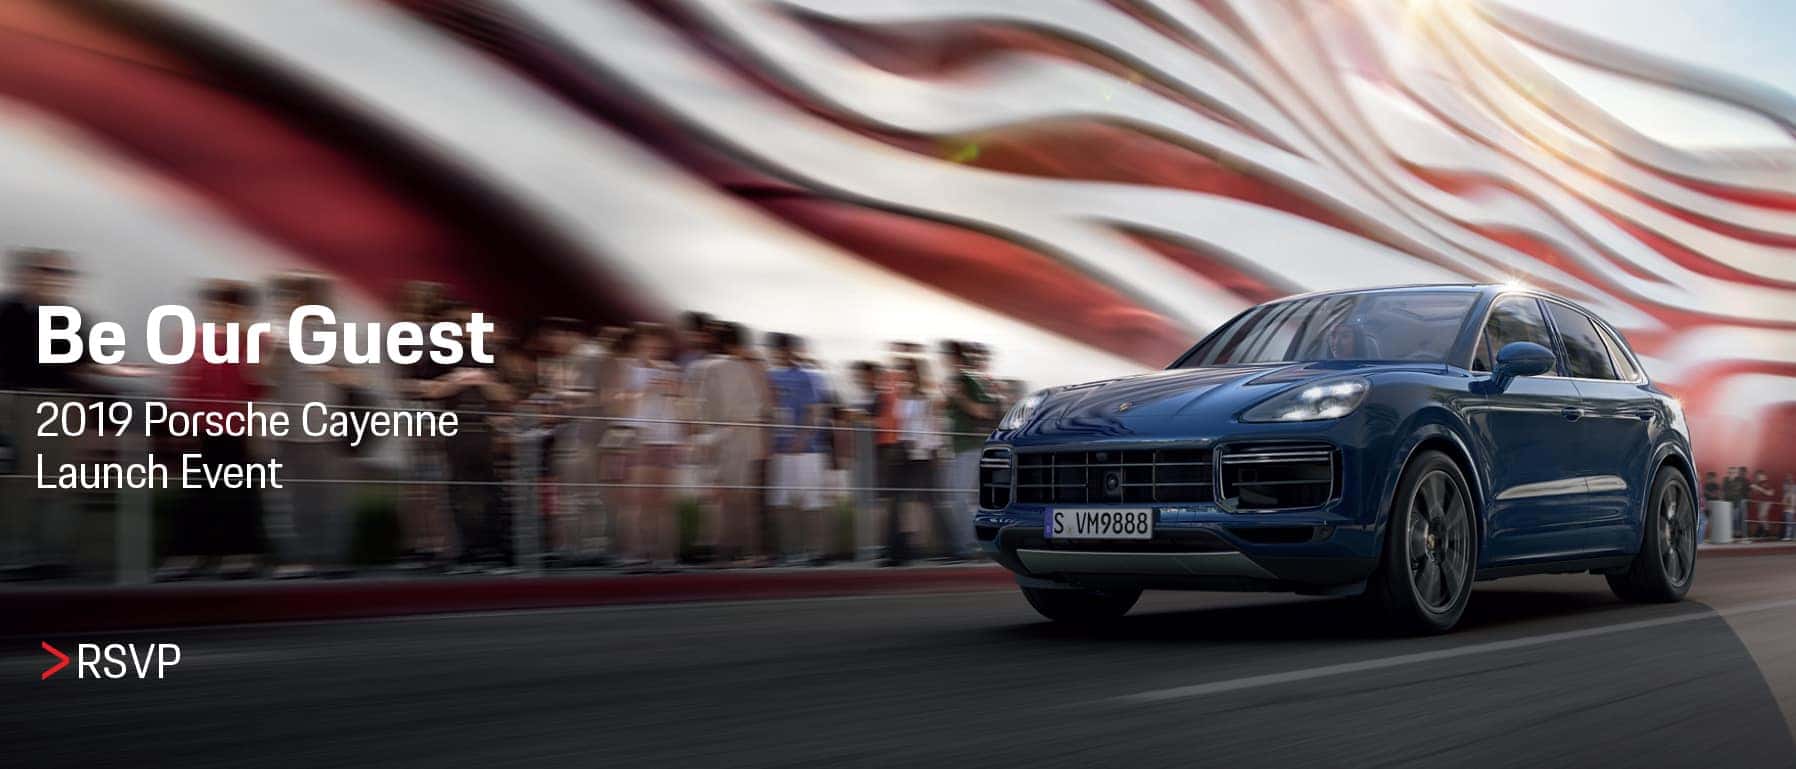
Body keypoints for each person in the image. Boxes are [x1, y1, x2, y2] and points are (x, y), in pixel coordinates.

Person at [163, 280, 268, 580]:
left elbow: (258, 386)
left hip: (239, 430)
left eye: (231, 305)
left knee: (240, 492)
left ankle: (241, 554)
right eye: (218, 304)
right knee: (197, 493)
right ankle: (188, 555)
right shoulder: (193, 338)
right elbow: (184, 383)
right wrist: (181, 424)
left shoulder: (255, 341)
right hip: (202, 428)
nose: (222, 311)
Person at [263, 272, 353, 579]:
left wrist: (325, 370)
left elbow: (353, 376)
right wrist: (278, 349)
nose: (286, 302)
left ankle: (330, 558)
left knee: (327, 495)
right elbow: (262, 377)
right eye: (284, 296)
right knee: (291, 498)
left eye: (292, 295)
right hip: (286, 428)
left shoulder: (331, 331)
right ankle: (298, 558)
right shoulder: (277, 333)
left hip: (323, 428)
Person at [425, 303, 516, 571]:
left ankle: (497, 547)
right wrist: (453, 383)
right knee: (458, 491)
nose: (465, 328)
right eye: (459, 322)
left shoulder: (492, 353)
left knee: (492, 490)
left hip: (486, 429)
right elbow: (425, 390)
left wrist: (486, 383)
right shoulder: (438, 353)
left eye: (470, 322)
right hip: (453, 428)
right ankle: (465, 549)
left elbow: (509, 395)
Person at [684, 321, 768, 565]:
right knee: (741, 499)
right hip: (741, 438)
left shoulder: (704, 367)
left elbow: (698, 407)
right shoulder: (743, 367)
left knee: (721, 498)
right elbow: (756, 407)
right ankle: (746, 553)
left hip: (716, 438)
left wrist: (703, 435)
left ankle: (721, 551)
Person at [616, 323, 684, 569]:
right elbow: (619, 405)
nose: (653, 347)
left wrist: (675, 394)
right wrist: (644, 390)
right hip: (639, 439)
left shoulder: (672, 370)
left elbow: (682, 408)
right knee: (637, 500)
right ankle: (634, 555)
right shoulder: (626, 368)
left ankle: (665, 556)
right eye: (648, 341)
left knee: (665, 501)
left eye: (658, 342)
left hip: (667, 439)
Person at [765, 333, 830, 565]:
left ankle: (816, 551)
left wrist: (802, 438)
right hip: (779, 450)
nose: (782, 354)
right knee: (782, 501)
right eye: (777, 350)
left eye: (786, 349)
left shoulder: (808, 377)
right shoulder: (768, 376)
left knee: (810, 500)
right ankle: (789, 550)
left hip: (807, 451)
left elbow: (814, 410)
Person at [941, 341, 1000, 558]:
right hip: (957, 449)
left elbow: (983, 411)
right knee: (955, 498)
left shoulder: (970, 381)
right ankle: (965, 545)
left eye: (945, 356)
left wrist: (958, 397)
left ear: (955, 358)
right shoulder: (954, 382)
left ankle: (970, 546)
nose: (943, 361)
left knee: (960, 499)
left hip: (971, 448)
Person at [1724, 467, 1750, 542]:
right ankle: (1731, 535)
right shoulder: (1725, 480)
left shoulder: (1740, 480)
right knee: (1732, 520)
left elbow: (1736, 491)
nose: (1731, 474)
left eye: (1733, 472)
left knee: (1740, 520)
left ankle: (1743, 536)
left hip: (1738, 503)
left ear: (1736, 473)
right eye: (1730, 472)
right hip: (1728, 504)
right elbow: (1725, 491)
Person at [1750, 470, 1777, 540]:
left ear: (1763, 475)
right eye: (1756, 476)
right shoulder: (1758, 483)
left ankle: (1767, 531)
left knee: (1761, 516)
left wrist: (1758, 488)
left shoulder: (1767, 483)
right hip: (1760, 502)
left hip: (1766, 502)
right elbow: (1756, 494)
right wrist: (1754, 490)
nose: (1757, 477)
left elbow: (1770, 493)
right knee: (1762, 517)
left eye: (1758, 476)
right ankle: (1760, 531)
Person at [1781, 473, 1795, 542]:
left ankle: (1788, 536)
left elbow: (1787, 499)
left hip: (1790, 508)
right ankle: (1793, 536)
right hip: (1789, 508)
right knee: (1791, 522)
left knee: (1789, 522)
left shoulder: (1791, 489)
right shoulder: (1788, 490)